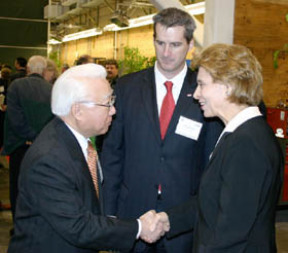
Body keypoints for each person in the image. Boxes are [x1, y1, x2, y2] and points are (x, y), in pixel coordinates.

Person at [8, 63, 168, 253]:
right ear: (78, 111)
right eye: (107, 103)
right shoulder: (49, 159)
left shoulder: (78, 143)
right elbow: (78, 227)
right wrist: (139, 228)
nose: (113, 111)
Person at [100, 7, 223, 252]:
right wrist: (109, 214)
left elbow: (211, 163)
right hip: (132, 214)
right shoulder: (127, 87)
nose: (166, 53)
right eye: (160, 43)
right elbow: (113, 154)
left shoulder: (205, 92)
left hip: (182, 219)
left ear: (190, 45)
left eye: (175, 45)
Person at [159, 43, 284, 252]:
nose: (196, 94)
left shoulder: (247, 144)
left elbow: (231, 233)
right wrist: (168, 219)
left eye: (202, 84)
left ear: (227, 86)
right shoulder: (242, 134)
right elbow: (214, 201)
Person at [2, 55, 54, 223]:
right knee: (41, 186)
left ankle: (19, 224)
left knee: (18, 186)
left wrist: (29, 136)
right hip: (44, 147)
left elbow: (14, 118)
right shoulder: (52, 89)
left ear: (29, 69)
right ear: (44, 71)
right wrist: (39, 137)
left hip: (20, 145)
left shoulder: (16, 86)